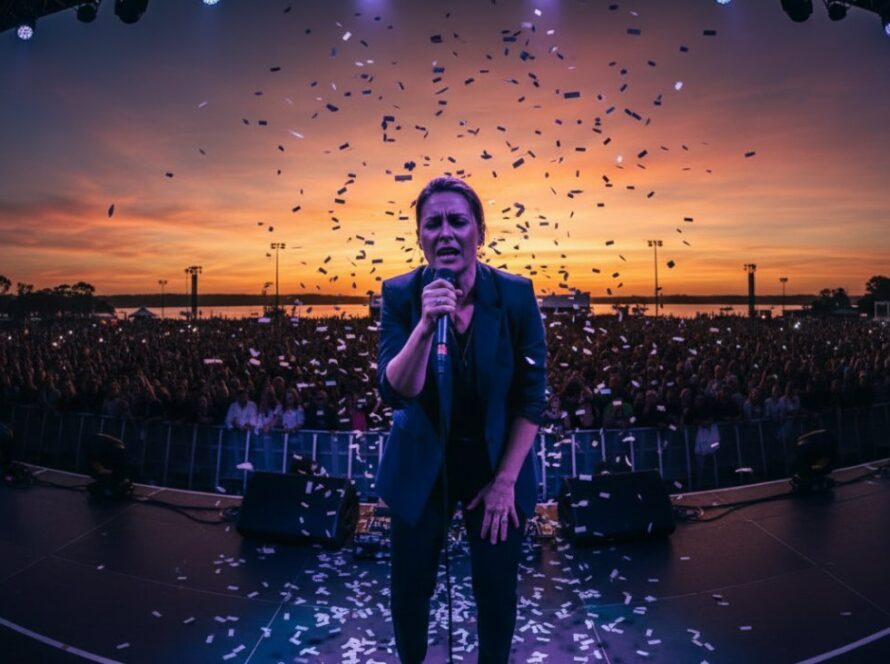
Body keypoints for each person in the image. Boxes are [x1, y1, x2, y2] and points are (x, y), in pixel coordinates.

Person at [376, 176, 548, 663]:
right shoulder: (401, 295)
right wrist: (426, 326)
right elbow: (395, 390)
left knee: (495, 593)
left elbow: (532, 396)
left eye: (458, 221)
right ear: (420, 237)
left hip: (495, 467)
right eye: (433, 223)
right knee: (410, 593)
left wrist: (505, 481)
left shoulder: (514, 296)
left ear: (480, 231)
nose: (446, 232)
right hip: (421, 467)